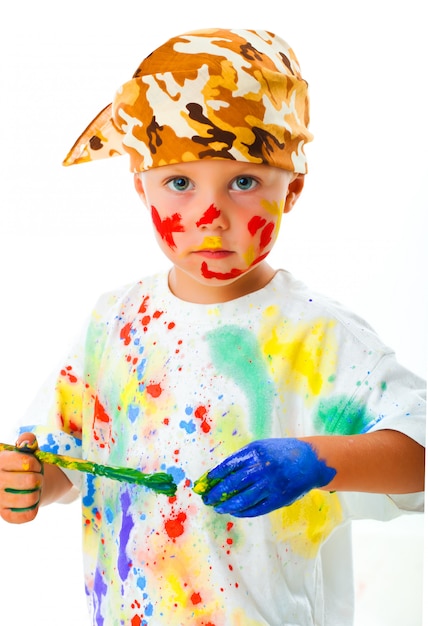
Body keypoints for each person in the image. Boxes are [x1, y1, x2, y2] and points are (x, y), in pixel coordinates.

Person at [0, 28, 425, 626]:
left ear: (293, 189)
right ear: (140, 188)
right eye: (180, 183)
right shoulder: (115, 324)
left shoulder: (319, 337)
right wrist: (29, 483)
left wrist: (315, 459)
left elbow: (419, 454)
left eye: (244, 182)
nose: (210, 217)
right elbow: (65, 458)